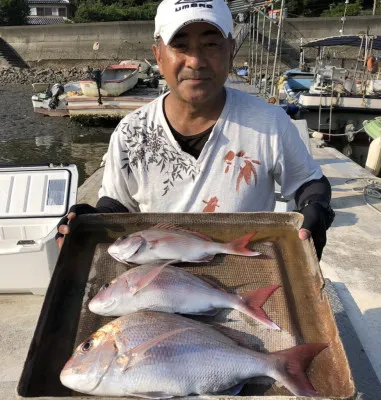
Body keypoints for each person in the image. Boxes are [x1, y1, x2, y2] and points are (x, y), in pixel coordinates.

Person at [56, 0, 334, 260]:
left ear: (231, 50)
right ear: (159, 55)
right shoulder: (132, 132)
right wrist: (90, 218)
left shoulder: (269, 123)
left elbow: (309, 183)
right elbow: (117, 205)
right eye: (180, 45)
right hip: (156, 280)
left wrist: (316, 208)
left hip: (244, 270)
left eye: (211, 44)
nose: (196, 61)